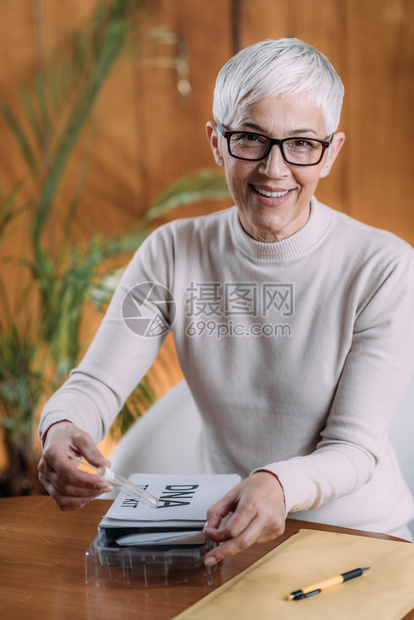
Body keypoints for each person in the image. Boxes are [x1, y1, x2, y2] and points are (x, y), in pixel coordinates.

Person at [38, 38, 414, 567]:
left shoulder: (384, 267)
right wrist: (59, 428)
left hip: (361, 545)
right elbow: (96, 384)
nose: (274, 169)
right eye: (251, 139)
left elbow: (353, 447)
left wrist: (277, 483)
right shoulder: (171, 253)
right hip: (234, 538)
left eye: (302, 143)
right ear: (217, 142)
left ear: (330, 153)